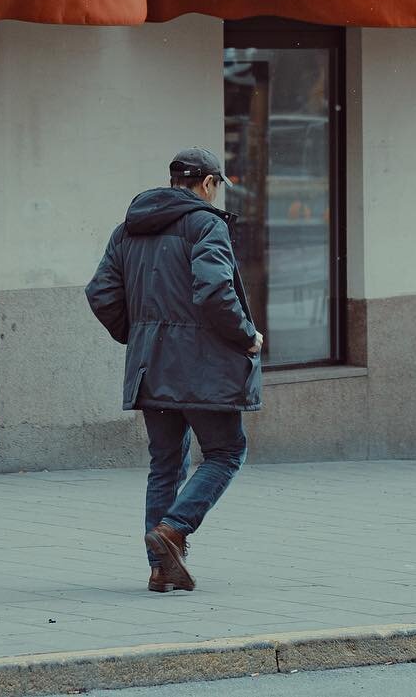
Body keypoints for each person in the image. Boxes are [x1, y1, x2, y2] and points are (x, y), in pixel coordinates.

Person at [86, 146, 263, 593]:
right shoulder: (206, 225)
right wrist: (247, 336)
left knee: (165, 464)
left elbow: (101, 293)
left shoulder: (128, 230)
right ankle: (174, 530)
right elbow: (216, 291)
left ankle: (161, 568)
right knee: (226, 453)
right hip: (203, 368)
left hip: (151, 366)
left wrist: (141, 333)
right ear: (207, 184)